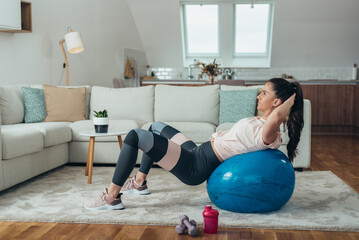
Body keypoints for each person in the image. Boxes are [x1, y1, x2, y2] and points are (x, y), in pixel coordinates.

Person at [84, 78, 304, 210]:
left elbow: (276, 118)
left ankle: (111, 197)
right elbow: (273, 117)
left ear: (277, 102)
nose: (258, 95)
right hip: (197, 151)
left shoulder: (268, 131)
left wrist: (292, 97)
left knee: (135, 136)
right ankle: (139, 183)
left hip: (195, 166)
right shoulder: (260, 122)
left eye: (264, 92)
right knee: (155, 126)